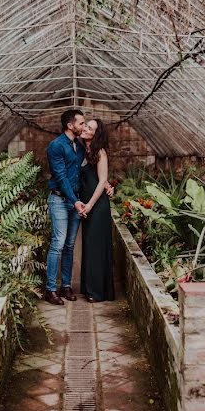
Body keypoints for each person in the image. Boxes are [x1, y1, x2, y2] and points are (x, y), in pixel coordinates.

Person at [44, 109, 86, 305]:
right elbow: (60, 177)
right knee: (58, 244)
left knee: (69, 245)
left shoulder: (79, 145)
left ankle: (66, 286)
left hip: (75, 200)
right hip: (60, 200)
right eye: (81, 123)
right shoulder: (56, 146)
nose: (84, 127)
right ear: (70, 125)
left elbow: (83, 171)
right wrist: (74, 201)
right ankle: (50, 289)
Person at [78, 118, 115, 302]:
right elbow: (100, 178)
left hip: (97, 205)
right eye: (85, 125)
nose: (85, 128)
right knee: (88, 245)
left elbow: (101, 180)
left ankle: (97, 292)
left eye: (89, 128)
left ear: (96, 134)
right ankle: (89, 288)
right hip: (86, 202)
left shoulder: (100, 152)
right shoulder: (81, 148)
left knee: (96, 246)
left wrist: (90, 205)